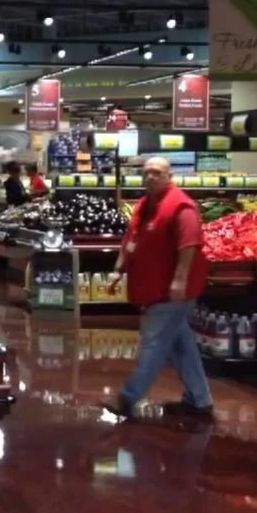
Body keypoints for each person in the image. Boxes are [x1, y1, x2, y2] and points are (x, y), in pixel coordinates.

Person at [101, 156, 213, 420]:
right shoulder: (144, 205)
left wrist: (179, 279)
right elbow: (130, 240)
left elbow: (189, 244)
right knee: (181, 345)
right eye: (147, 172)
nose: (151, 177)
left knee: (153, 344)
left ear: (169, 176)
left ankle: (127, 397)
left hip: (170, 292)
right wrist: (118, 270)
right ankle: (200, 400)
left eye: (157, 173)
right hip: (152, 288)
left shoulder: (181, 206)